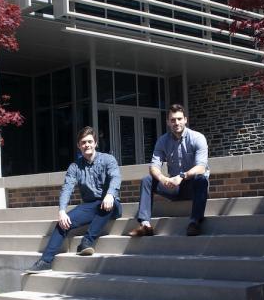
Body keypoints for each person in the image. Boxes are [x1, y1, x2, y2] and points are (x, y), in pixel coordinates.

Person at [27, 127, 122, 272]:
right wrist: (62, 211)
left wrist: (110, 194)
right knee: (64, 223)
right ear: (79, 145)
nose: (87, 145)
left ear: (96, 143)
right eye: (83, 142)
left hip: (110, 203)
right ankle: (45, 261)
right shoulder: (75, 167)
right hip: (90, 206)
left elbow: (116, 177)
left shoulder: (108, 159)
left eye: (90, 141)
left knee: (109, 204)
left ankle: (87, 242)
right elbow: (67, 188)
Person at [129, 104, 209, 237]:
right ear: (167, 122)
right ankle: (145, 225)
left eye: (179, 119)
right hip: (174, 187)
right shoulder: (162, 141)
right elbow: (153, 166)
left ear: (185, 120)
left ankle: (194, 222)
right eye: (172, 120)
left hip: (192, 186)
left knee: (201, 178)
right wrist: (163, 179)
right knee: (147, 180)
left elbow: (201, 167)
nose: (176, 123)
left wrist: (182, 176)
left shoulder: (197, 138)